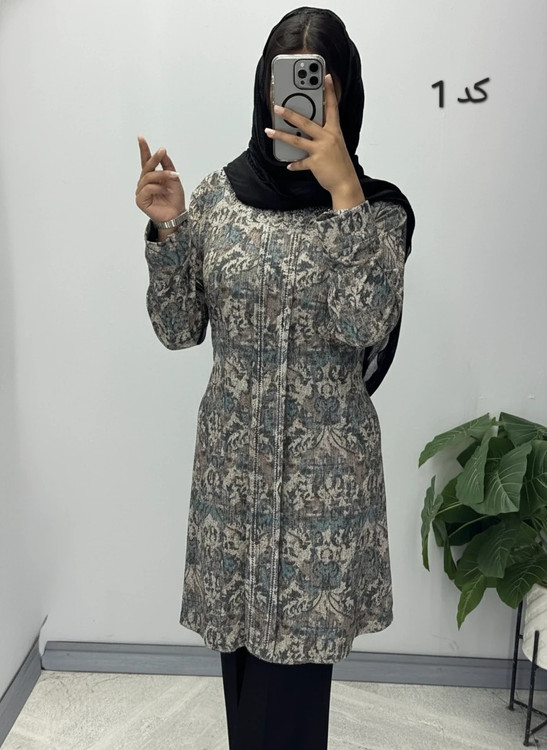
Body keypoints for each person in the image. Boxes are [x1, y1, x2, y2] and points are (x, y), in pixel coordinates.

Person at [135, 6, 415, 749]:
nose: (297, 106)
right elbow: (178, 328)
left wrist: (344, 192)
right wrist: (167, 230)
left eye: (317, 89)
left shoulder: (380, 213)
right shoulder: (217, 197)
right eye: (283, 86)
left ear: (344, 94)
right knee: (242, 679)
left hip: (323, 489)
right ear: (263, 90)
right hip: (233, 476)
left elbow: (365, 324)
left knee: (287, 697)